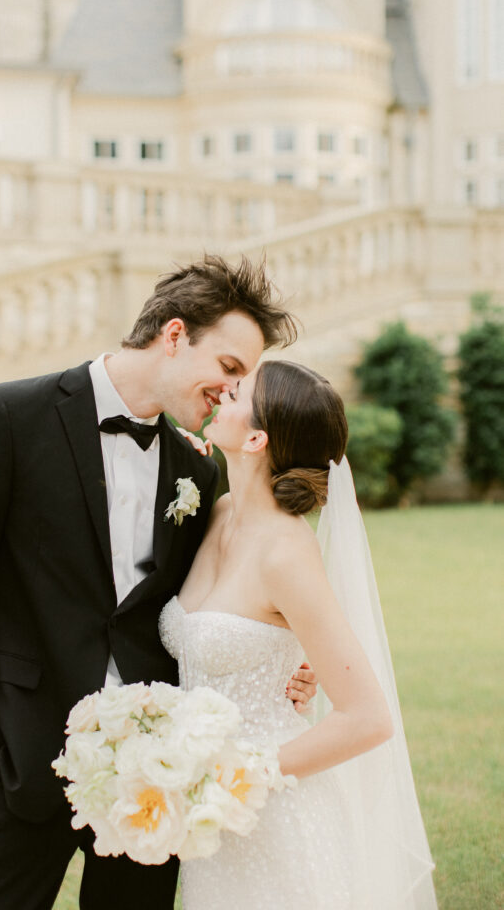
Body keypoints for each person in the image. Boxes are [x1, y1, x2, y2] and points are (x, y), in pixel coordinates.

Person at [0, 255, 317, 910]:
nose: (232, 391)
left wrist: (285, 660)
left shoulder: (199, 470)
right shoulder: (5, 417)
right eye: (227, 368)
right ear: (172, 334)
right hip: (22, 759)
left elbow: (206, 606)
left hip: (156, 779)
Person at [159, 359, 437, 909]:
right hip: (209, 821)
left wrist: (238, 776)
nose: (220, 392)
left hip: (275, 817)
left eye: (235, 393)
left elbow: (368, 717)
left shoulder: (287, 552)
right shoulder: (219, 513)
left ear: (257, 437)